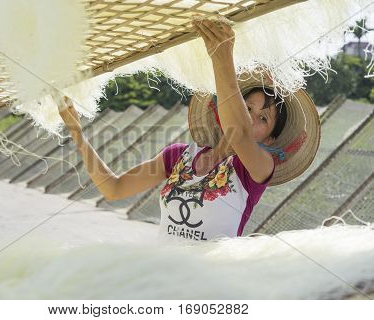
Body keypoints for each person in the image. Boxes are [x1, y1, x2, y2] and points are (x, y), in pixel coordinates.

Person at [57, 18, 320, 241]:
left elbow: (238, 132)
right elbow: (113, 189)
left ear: (271, 137)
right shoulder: (178, 157)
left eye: (263, 119)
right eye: (247, 108)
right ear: (225, 110)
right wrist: (76, 133)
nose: (251, 119)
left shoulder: (257, 170)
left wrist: (222, 54)